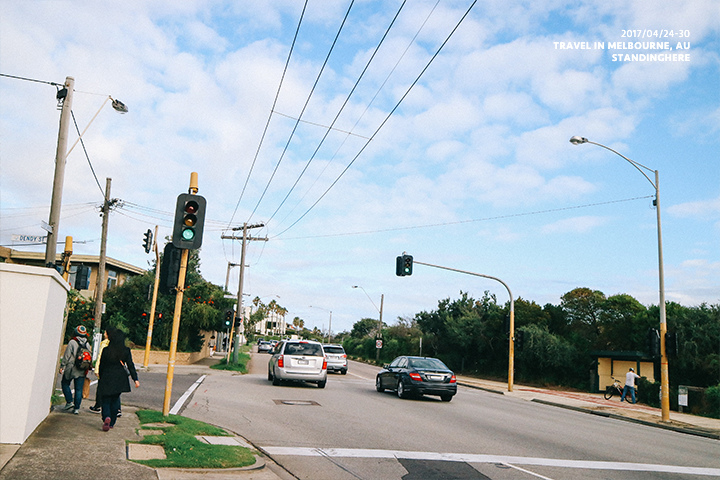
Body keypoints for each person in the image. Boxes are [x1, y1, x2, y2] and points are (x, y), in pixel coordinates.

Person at [97, 328, 139, 431]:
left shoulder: (106, 350)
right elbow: (130, 365)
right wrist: (135, 379)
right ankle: (112, 422)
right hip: (120, 378)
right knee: (115, 399)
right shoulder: (125, 350)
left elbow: (102, 365)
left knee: (106, 399)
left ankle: (106, 416)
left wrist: (101, 376)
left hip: (107, 376)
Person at [59, 325, 92, 414]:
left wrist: (62, 366)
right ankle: (76, 408)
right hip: (82, 368)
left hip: (71, 367)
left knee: (65, 383)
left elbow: (67, 356)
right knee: (79, 389)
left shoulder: (72, 342)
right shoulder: (87, 344)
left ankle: (69, 401)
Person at [88, 330, 109, 413]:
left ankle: (98, 405)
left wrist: (97, 369)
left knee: (100, 388)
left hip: (103, 370)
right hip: (112, 371)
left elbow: (100, 357)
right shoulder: (116, 344)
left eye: (105, 333)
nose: (104, 334)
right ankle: (117, 409)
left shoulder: (104, 343)